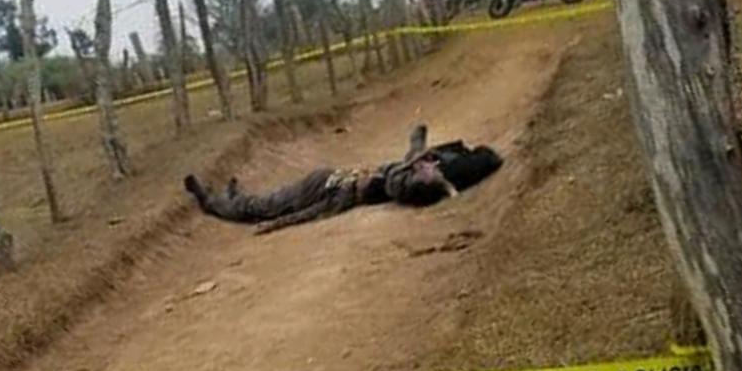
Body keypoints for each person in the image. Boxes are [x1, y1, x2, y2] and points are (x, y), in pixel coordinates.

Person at [182, 125, 504, 235]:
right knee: (264, 203)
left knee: (264, 207)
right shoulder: (410, 170)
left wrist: (277, 225)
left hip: (325, 189)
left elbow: (313, 212)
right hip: (327, 177)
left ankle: (212, 202)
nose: (428, 165)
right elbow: (413, 152)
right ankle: (235, 199)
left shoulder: (404, 185)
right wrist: (420, 149)